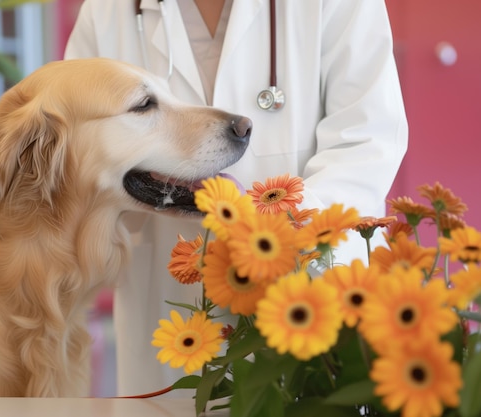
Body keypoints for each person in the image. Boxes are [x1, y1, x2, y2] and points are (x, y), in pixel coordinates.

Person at [64, 0, 408, 397]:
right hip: (165, 301)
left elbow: (367, 141)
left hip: (308, 301)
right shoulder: (109, 11)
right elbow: (77, 153)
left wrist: (274, 235)